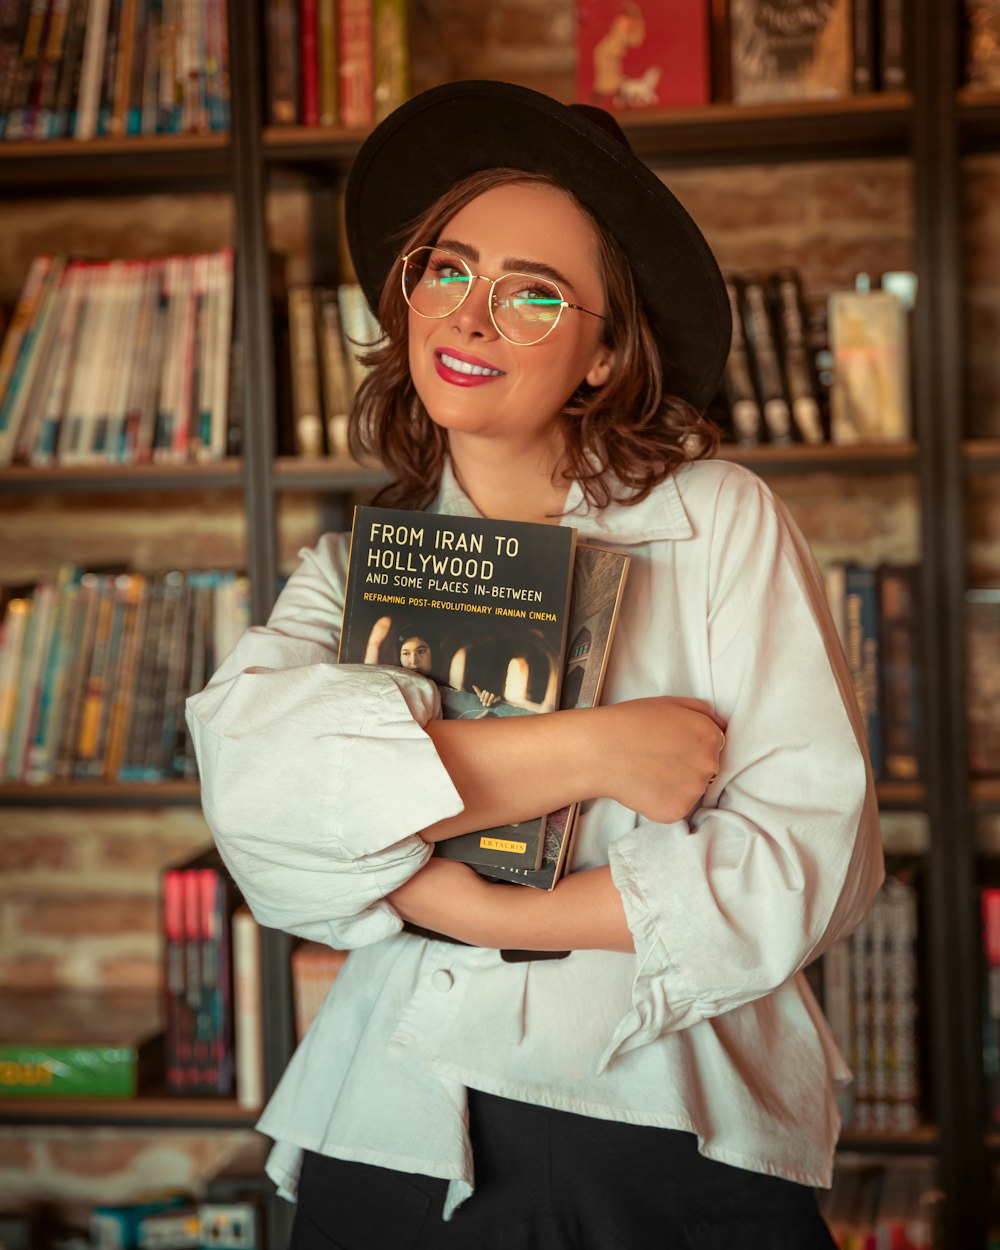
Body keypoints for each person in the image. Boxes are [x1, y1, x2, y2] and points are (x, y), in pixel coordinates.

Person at [186, 80, 883, 1249]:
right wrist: (592, 747)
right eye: (446, 270)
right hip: (389, 1112)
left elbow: (806, 859)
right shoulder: (346, 566)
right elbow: (261, 808)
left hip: (651, 1102)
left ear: (605, 352)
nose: (466, 319)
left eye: (534, 295)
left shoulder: (717, 520)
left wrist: (450, 891)